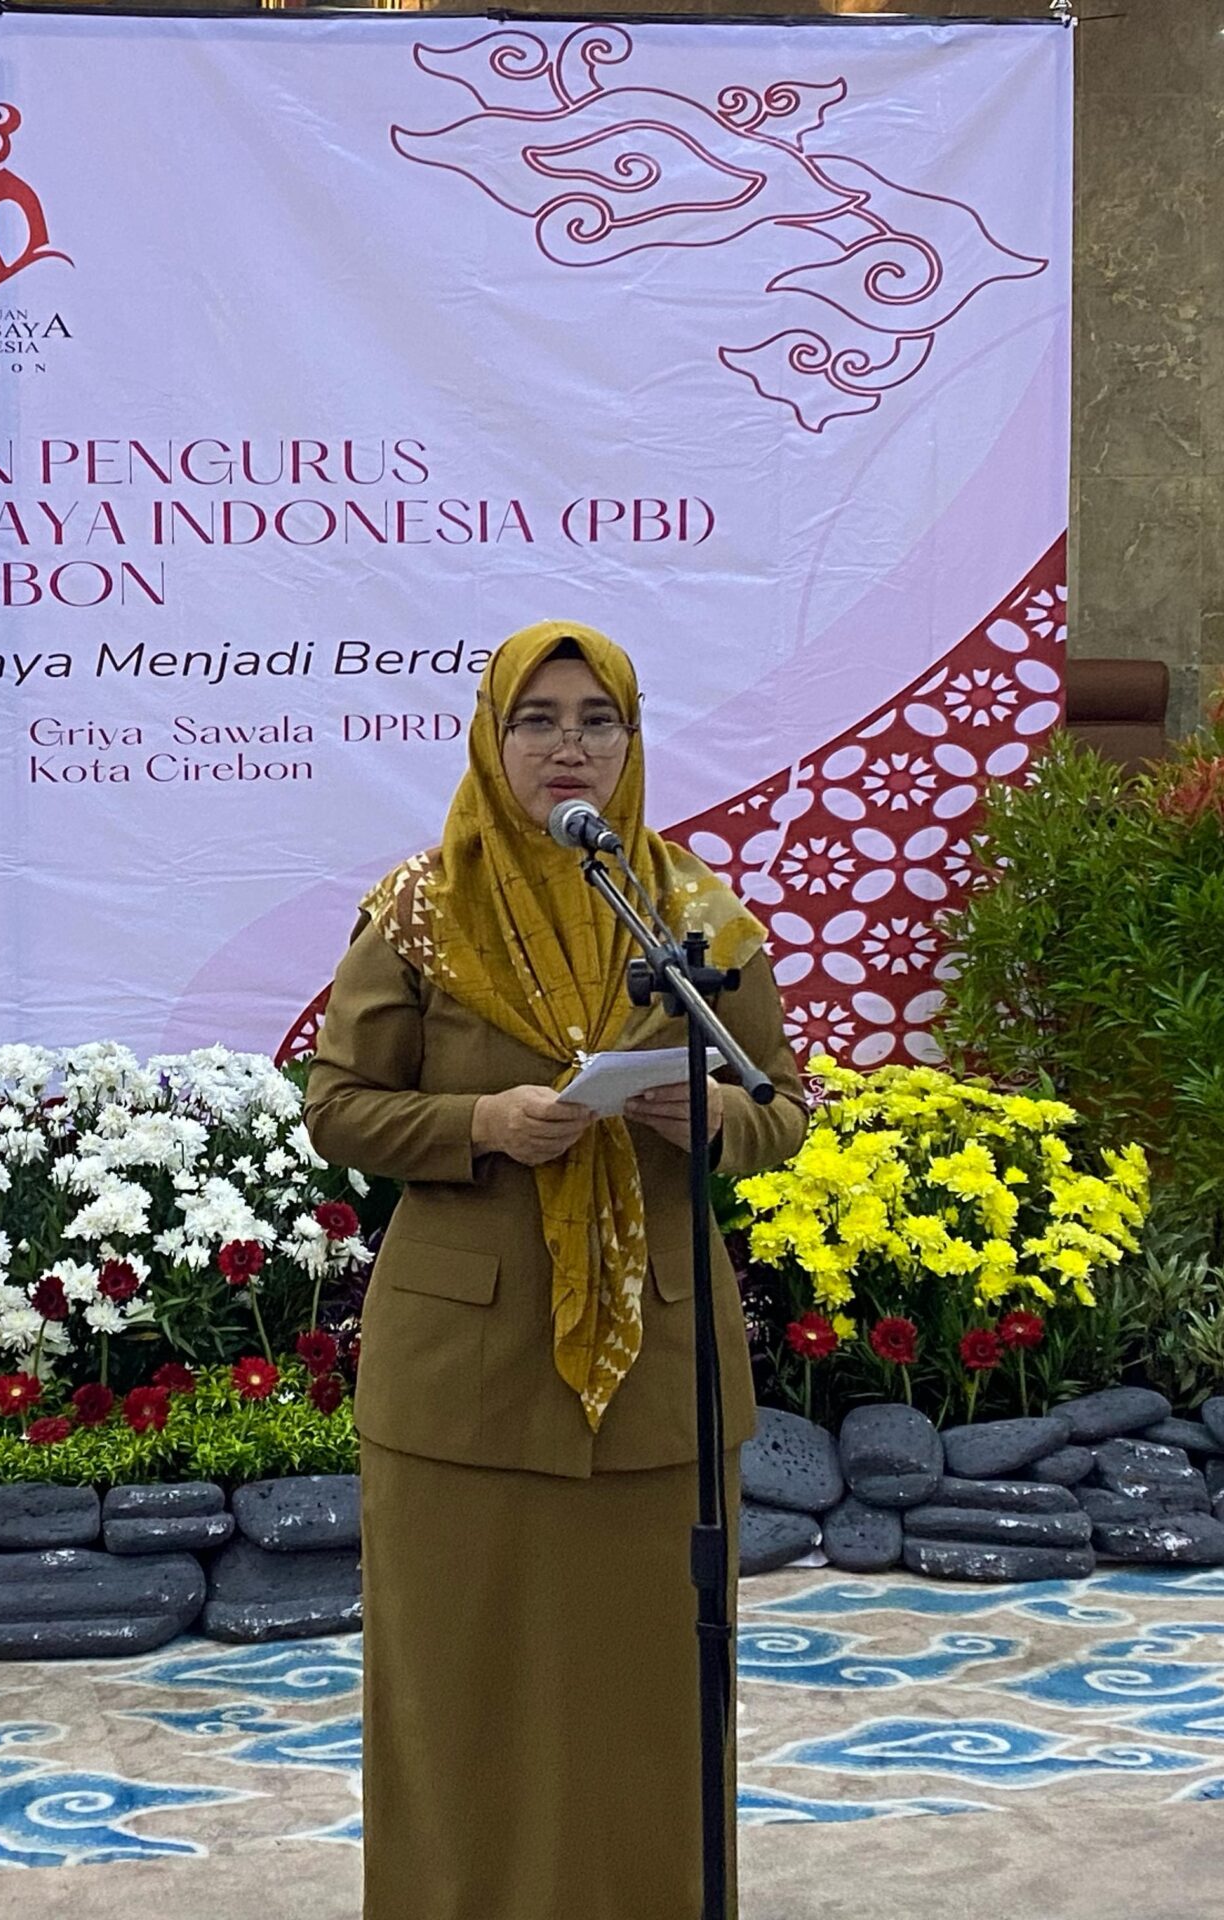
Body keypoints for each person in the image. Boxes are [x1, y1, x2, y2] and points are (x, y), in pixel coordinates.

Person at [303, 619, 808, 1920]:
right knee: (463, 1695)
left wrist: (713, 1121)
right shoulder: (423, 911)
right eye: (538, 720)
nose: (567, 746)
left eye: (597, 721)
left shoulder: (694, 917)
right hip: (464, 1380)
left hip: (659, 1376)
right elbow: (338, 1107)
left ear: (631, 744)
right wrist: (477, 1124)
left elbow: (781, 1108)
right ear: (493, 738)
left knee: (642, 1698)